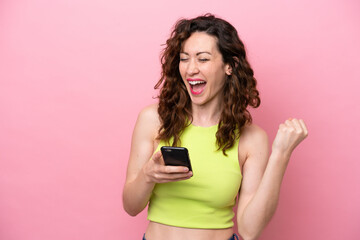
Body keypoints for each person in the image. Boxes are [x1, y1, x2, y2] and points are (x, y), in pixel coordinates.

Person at [122, 13, 308, 240]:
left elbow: (250, 231)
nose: (191, 69)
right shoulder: (153, 120)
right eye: (184, 58)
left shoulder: (251, 138)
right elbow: (131, 206)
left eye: (202, 59)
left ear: (229, 66)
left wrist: (281, 154)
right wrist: (148, 175)